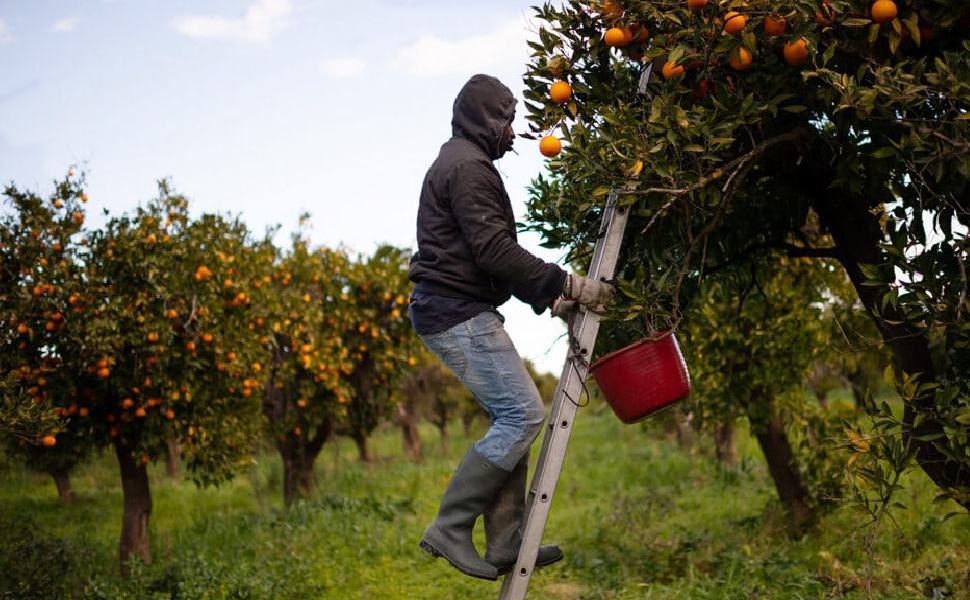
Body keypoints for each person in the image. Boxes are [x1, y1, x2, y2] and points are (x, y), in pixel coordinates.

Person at [408, 73, 615, 581]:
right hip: (455, 313)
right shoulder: (469, 168)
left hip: (457, 307)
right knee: (522, 413)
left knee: (511, 415)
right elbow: (495, 251)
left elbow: (485, 258)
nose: (512, 133)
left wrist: (551, 298)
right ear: (487, 119)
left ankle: (504, 541)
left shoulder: (461, 161)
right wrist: (568, 284)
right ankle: (450, 526)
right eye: (507, 121)